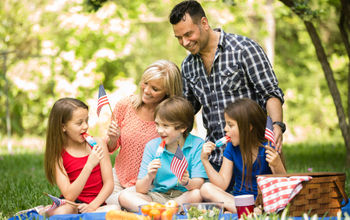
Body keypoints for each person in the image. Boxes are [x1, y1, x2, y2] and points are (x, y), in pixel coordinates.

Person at [169, 1, 285, 174]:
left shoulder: (244, 49)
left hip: (252, 156)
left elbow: (270, 93)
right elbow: (187, 109)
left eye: (188, 34)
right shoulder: (188, 65)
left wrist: (277, 125)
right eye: (179, 37)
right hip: (217, 158)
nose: (184, 42)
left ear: (204, 23)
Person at [105, 60, 183, 208]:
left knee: (125, 204)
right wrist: (113, 139)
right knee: (106, 201)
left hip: (150, 184)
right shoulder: (125, 105)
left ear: (168, 92)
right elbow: (110, 148)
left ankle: (143, 210)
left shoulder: (171, 116)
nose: (146, 90)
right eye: (145, 83)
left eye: (155, 88)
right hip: (119, 177)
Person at [119, 96, 207, 212]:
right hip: (158, 196)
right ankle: (163, 211)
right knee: (124, 196)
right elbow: (140, 189)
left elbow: (198, 184)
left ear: (183, 127)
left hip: (183, 196)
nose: (159, 130)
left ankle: (158, 212)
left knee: (197, 194)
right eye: (157, 124)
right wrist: (149, 176)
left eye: (165, 126)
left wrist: (186, 182)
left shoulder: (197, 144)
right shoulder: (152, 146)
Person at [200, 98, 286, 213]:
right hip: (238, 200)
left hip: (265, 201)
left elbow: (285, 185)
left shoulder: (269, 147)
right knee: (206, 188)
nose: (225, 129)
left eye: (230, 125)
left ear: (249, 127)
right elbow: (222, 184)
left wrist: (277, 165)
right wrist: (205, 160)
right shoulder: (231, 147)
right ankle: (248, 212)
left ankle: (241, 211)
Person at [44, 98, 115, 215]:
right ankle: (49, 211)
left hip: (97, 204)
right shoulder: (58, 155)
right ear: (63, 127)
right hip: (72, 204)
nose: (85, 126)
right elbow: (69, 196)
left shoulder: (98, 144)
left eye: (86, 121)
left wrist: (92, 206)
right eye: (79, 123)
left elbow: (109, 184)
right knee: (61, 212)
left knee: (115, 210)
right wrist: (89, 165)